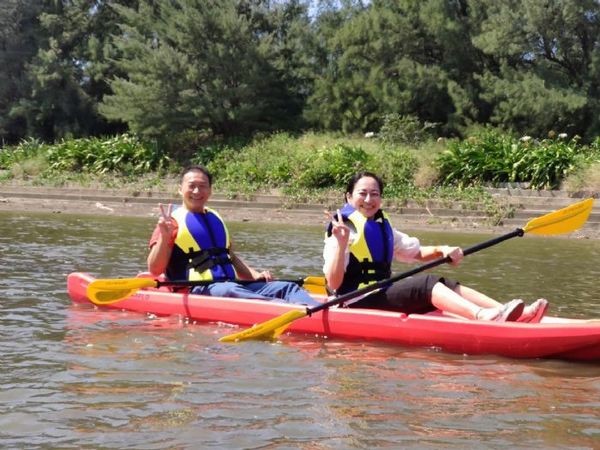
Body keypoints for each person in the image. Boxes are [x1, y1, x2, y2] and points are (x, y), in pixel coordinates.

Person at [323, 171, 549, 322]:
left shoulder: (382, 226)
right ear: (349, 196)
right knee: (426, 284)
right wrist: (342, 244)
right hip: (354, 301)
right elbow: (334, 284)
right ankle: (481, 316)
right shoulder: (342, 229)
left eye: (375, 194)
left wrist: (444, 249)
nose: (369, 199)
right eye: (362, 193)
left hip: (380, 294)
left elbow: (415, 252)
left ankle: (509, 312)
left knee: (446, 283)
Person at [147, 164, 320, 307]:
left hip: (229, 285)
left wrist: (254, 275)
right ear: (180, 189)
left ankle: (314, 310)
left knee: (287, 287)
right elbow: (154, 269)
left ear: (210, 190)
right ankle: (288, 309)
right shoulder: (170, 223)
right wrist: (164, 237)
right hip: (197, 290)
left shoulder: (214, 218)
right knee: (230, 290)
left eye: (203, 186)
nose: (197, 191)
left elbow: (231, 257)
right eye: (191, 186)